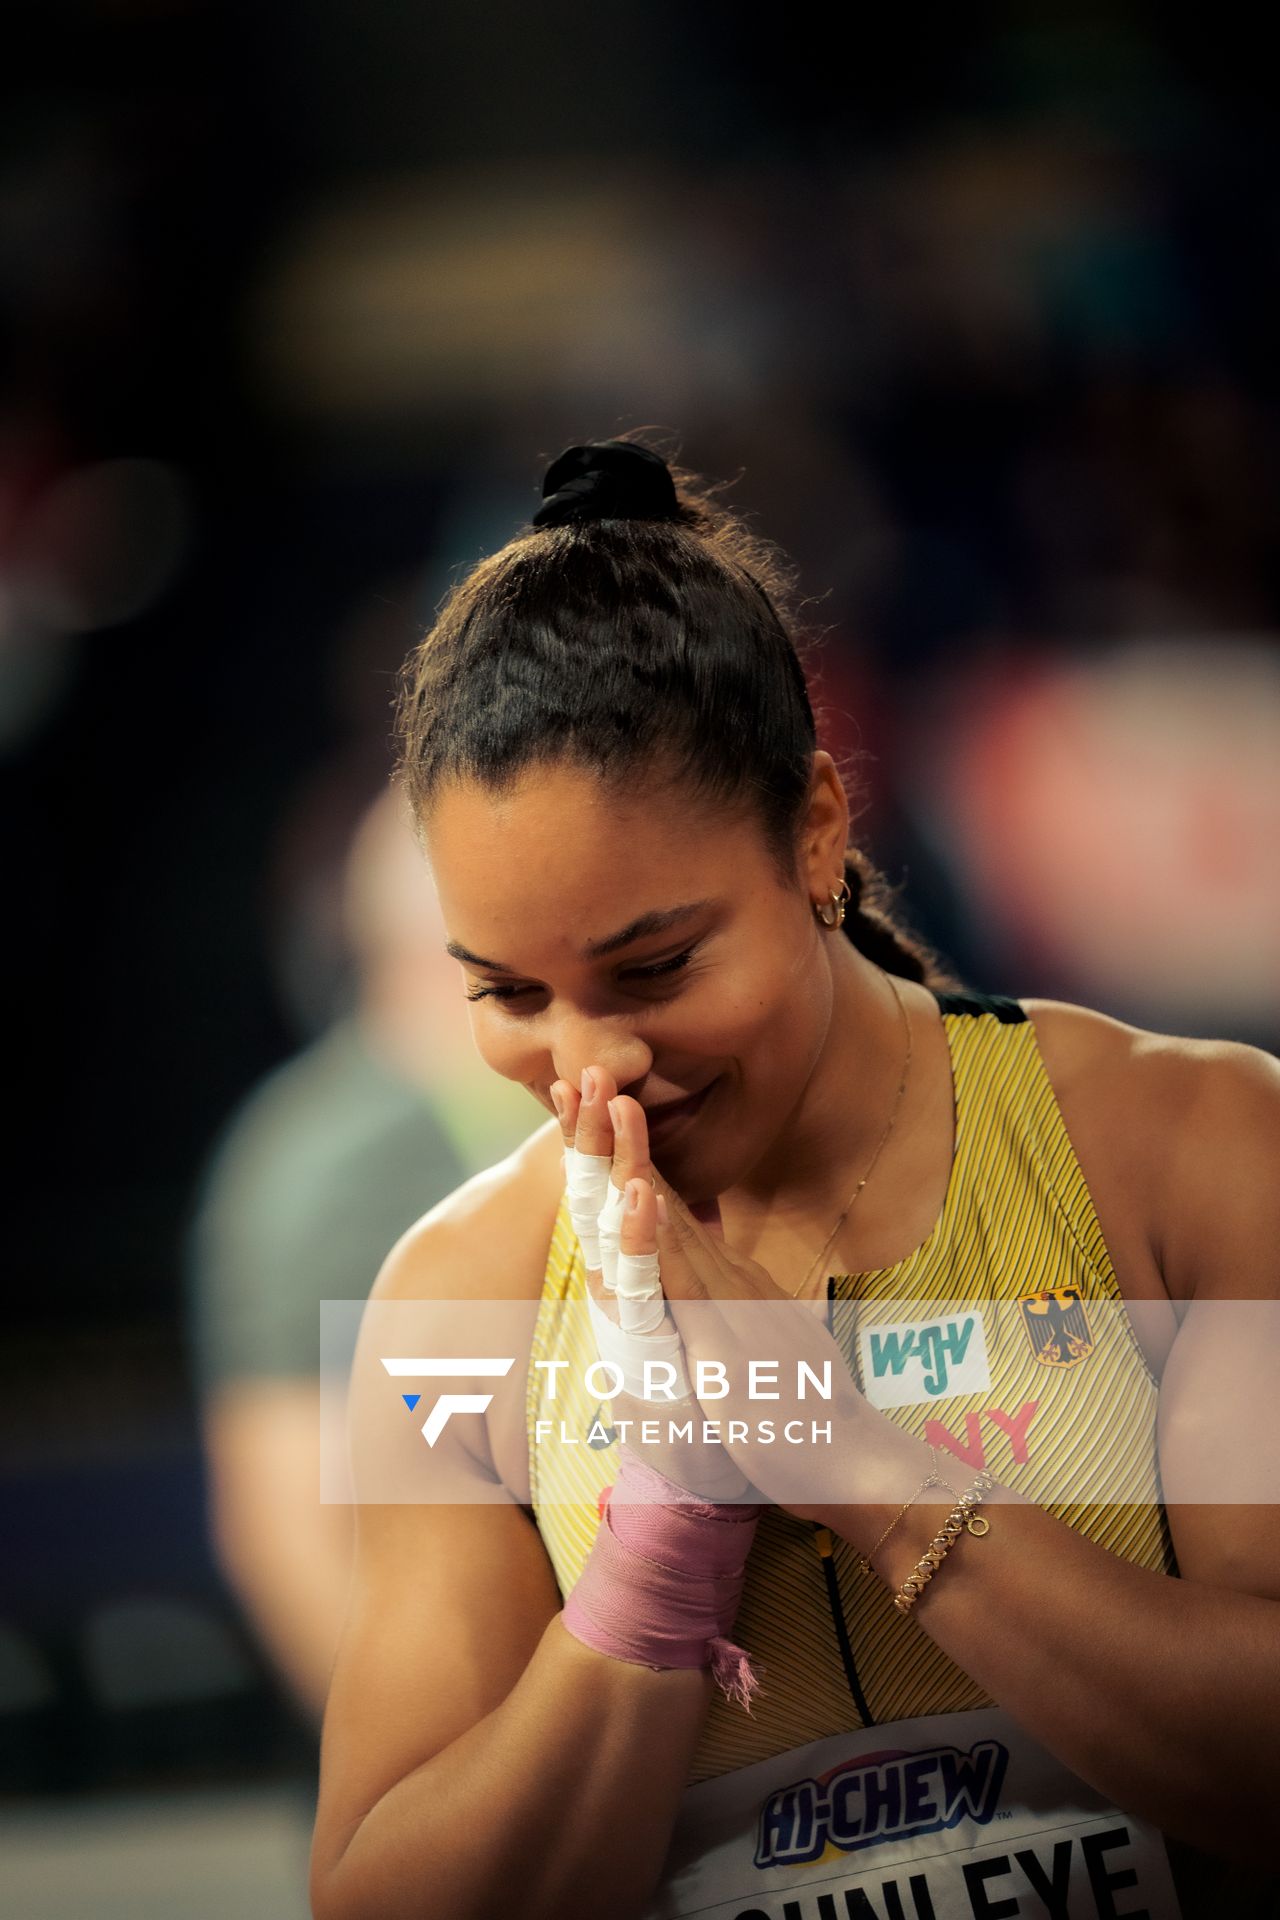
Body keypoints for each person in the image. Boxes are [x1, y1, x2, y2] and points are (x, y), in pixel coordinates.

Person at [307, 435, 1280, 1919]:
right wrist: (652, 1573)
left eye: (655, 966)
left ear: (818, 831)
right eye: (508, 994)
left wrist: (859, 1469)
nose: (594, 1065)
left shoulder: (1196, 1145)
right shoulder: (448, 1309)